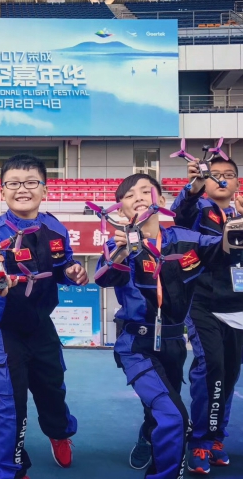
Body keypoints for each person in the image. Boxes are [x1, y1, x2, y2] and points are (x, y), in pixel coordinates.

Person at [95, 173, 240, 479]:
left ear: (160, 201)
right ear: (120, 208)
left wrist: (236, 230)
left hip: (174, 345)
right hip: (136, 346)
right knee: (174, 417)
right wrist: (122, 252)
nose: (137, 197)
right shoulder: (117, 244)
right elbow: (104, 277)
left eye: (145, 191)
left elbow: (223, 248)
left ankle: (148, 435)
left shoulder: (185, 239)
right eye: (129, 195)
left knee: (162, 407)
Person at [0, 154, 88, 479]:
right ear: (2, 191)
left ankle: (59, 433)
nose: (23, 189)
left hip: (41, 324)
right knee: (10, 401)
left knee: (52, 388)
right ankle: (12, 468)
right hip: (2, 328)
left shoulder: (55, 227)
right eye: (14, 183)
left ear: (44, 189)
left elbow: (63, 265)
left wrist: (73, 272)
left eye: (31, 182)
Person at [170, 157, 243, 474]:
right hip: (202, 303)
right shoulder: (198, 210)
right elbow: (180, 214)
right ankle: (199, 440)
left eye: (229, 174)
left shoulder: (240, 213)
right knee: (211, 366)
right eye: (215, 175)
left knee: (229, 372)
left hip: (237, 305)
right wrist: (194, 187)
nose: (222, 179)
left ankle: (216, 438)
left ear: (237, 182)